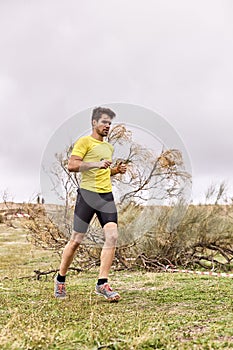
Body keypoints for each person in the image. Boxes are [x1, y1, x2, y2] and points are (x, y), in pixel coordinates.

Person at [54, 107, 127, 301]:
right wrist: (96, 164)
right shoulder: (84, 142)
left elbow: (103, 171)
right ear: (94, 123)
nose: (107, 126)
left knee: (112, 236)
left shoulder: (109, 148)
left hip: (106, 197)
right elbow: (72, 165)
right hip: (87, 196)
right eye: (104, 122)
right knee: (76, 240)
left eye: (110, 123)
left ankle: (102, 284)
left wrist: (115, 171)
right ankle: (60, 278)